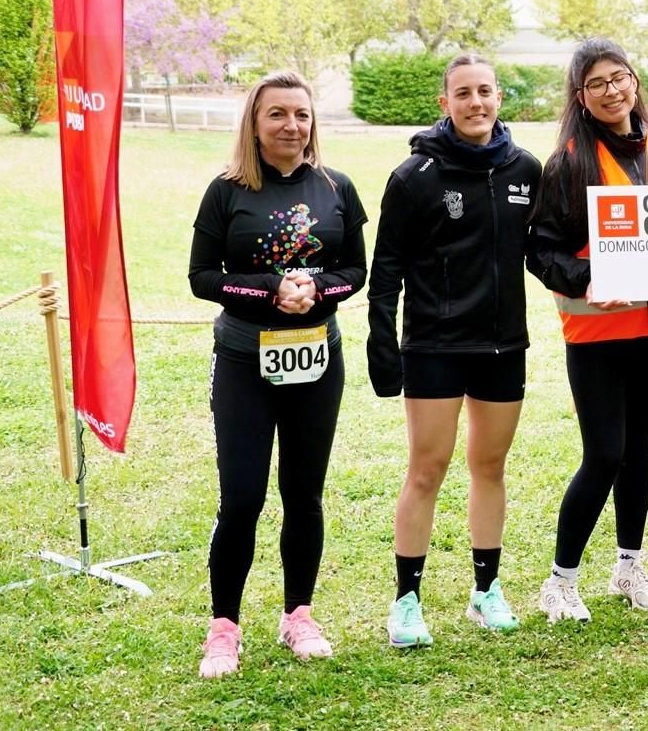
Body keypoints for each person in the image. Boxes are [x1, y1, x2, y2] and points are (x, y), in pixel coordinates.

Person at [187, 70, 368, 678]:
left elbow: (355, 271)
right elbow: (203, 277)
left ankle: (299, 614)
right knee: (242, 498)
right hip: (244, 362)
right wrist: (271, 291)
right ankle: (224, 627)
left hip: (318, 360)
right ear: (255, 123)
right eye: (278, 115)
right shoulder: (226, 191)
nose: (292, 125)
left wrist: (317, 287)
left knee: (304, 494)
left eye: (302, 114)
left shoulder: (336, 187)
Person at [367, 55, 543, 645]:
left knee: (489, 466)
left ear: (499, 98)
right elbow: (385, 267)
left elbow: (545, 250)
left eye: (485, 92)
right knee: (428, 468)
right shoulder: (415, 176)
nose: (476, 103)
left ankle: (485, 591)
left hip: (501, 346)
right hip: (435, 345)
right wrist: (382, 343)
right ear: (445, 103)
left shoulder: (525, 169)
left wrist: (595, 275)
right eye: (463, 93)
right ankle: (407, 601)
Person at [527, 37, 648, 622]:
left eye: (619, 77)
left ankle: (628, 566)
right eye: (597, 83)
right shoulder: (569, 162)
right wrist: (588, 277)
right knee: (605, 453)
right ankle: (560, 580)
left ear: (635, 79)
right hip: (598, 333)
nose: (612, 90)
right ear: (581, 95)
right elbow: (542, 252)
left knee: (639, 451)